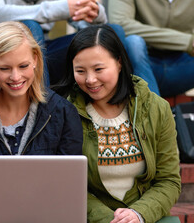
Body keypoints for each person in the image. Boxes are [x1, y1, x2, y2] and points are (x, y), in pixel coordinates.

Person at [54, 25, 181, 223]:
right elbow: (65, 186)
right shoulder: (64, 112)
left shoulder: (156, 108)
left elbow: (169, 180)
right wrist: (109, 220)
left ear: (119, 63)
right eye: (80, 71)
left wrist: (138, 214)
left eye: (98, 69)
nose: (90, 79)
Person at [0, 21, 83, 203]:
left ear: (36, 59)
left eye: (23, 66)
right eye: (5, 68)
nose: (15, 77)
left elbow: (70, 189)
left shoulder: (64, 113)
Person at [0, 0, 110, 86]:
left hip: (39, 55)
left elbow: (83, 24)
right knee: (29, 28)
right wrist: (61, 8)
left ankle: (113, 111)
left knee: (110, 32)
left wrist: (96, 13)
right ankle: (44, 109)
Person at [108, 0, 194, 97]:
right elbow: (121, 24)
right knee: (133, 42)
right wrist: (187, 41)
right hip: (142, 63)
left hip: (185, 63)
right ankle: (153, 112)